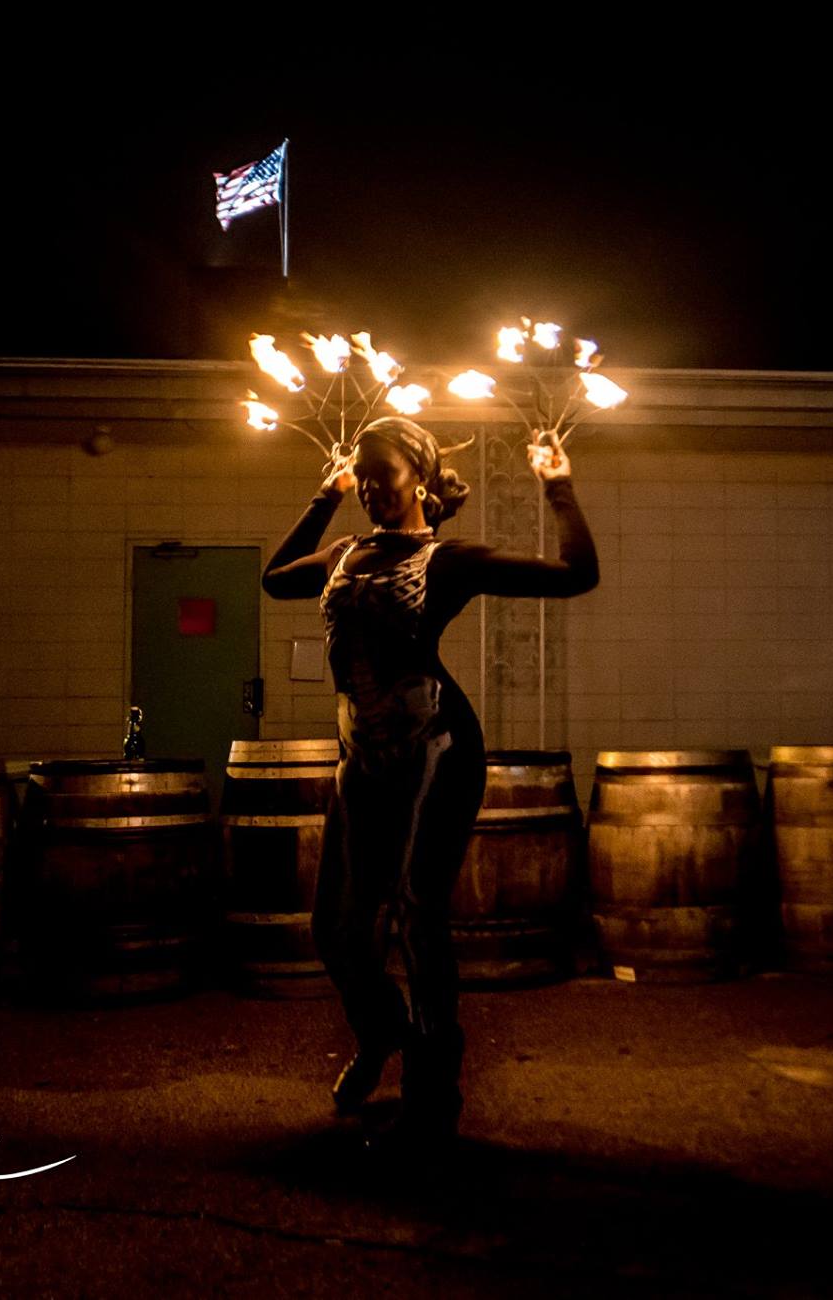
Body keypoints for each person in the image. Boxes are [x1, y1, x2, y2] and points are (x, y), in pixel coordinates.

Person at [262, 419, 598, 1153]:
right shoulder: (344, 553)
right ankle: (383, 1031)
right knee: (335, 928)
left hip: (436, 749)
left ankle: (433, 1094)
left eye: (382, 473)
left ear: (419, 474)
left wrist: (558, 485)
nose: (371, 487)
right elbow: (274, 577)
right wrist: (326, 495)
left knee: (417, 915)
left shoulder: (447, 560)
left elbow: (577, 575)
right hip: (360, 754)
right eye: (363, 476)